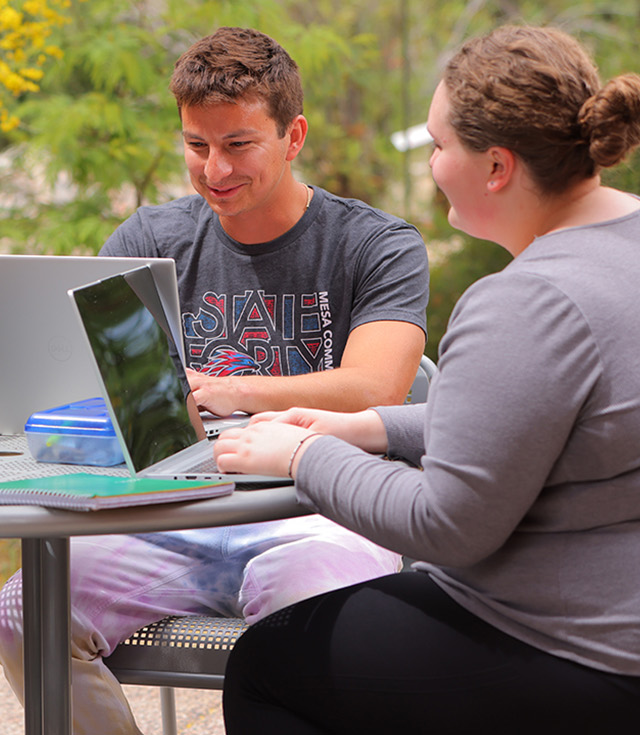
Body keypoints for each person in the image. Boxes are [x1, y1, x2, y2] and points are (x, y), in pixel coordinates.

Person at [0, 27, 430, 734]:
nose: (214, 168)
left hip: (315, 514)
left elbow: (376, 386)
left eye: (238, 145)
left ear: (294, 137)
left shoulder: (374, 244)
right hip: (169, 518)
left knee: (309, 625)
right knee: (22, 615)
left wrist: (236, 391)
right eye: (196, 145)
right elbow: (94, 388)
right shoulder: (150, 239)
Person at [217, 25, 640, 732]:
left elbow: (446, 523)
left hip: (570, 650)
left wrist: (305, 456)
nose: (434, 162)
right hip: (615, 628)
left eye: (440, 145)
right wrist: (368, 427)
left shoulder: (526, 301)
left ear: (497, 166)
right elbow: (532, 421)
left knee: (266, 665)